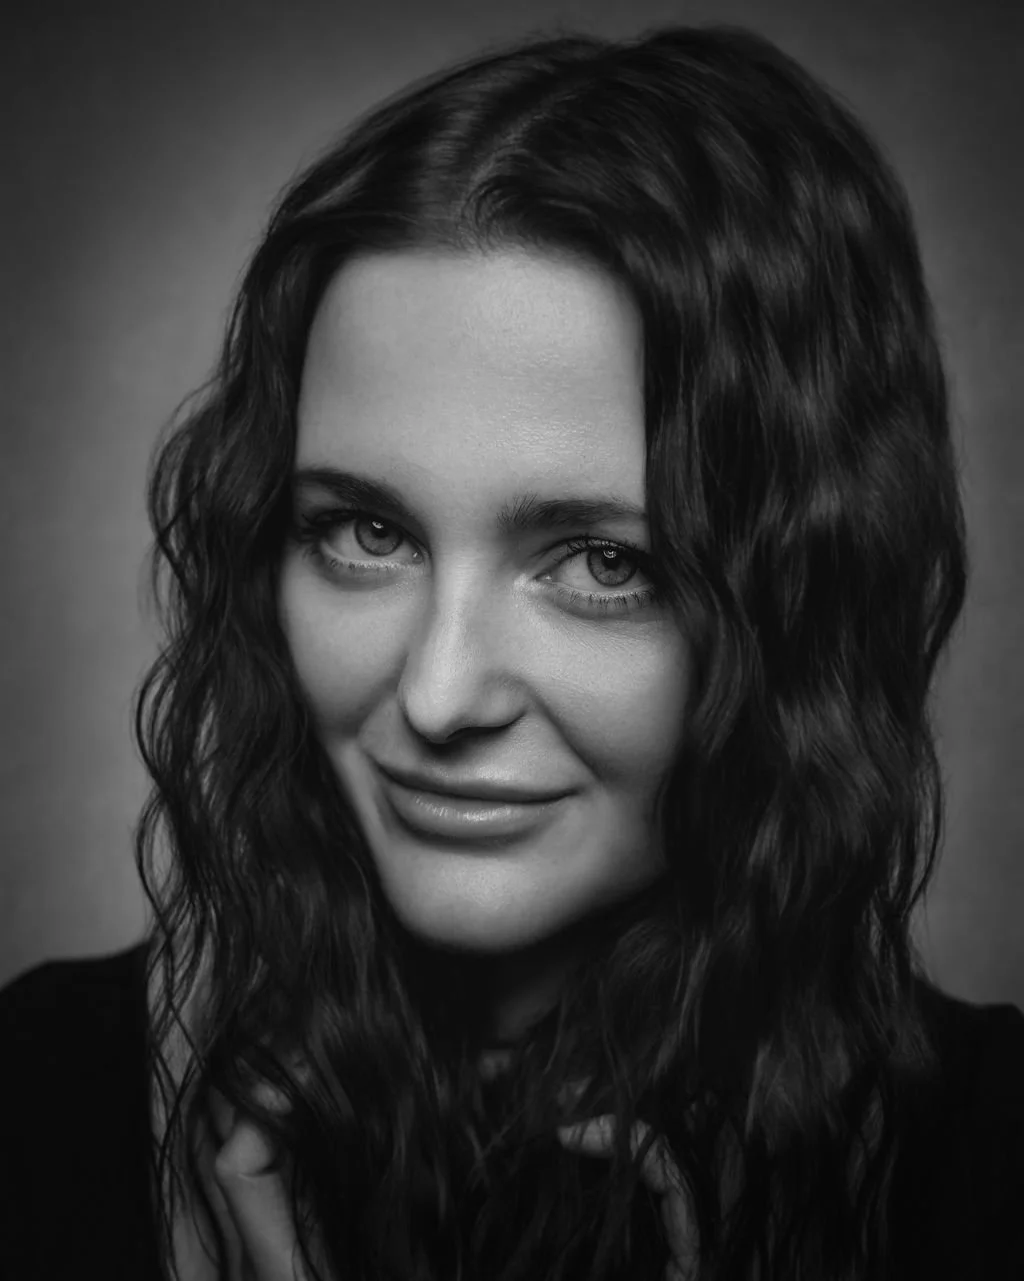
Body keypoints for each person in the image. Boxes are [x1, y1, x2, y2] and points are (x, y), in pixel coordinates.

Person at [2, 20, 1022, 1281]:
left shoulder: (983, 1170)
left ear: (806, 601)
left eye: (605, 566)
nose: (436, 694)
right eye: (365, 532)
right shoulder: (44, 1101)